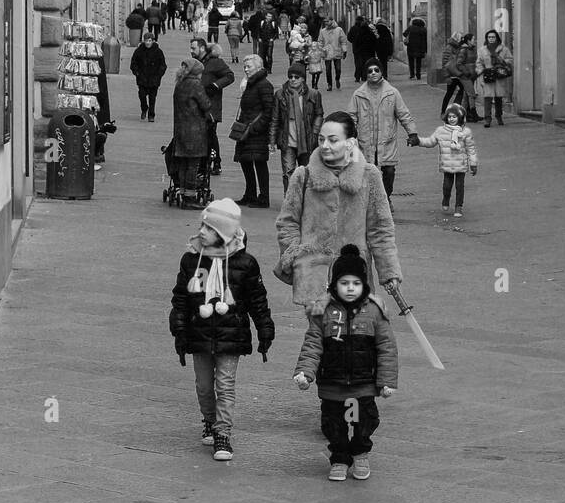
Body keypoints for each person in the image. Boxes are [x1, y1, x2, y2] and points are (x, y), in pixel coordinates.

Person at [170, 199, 274, 460]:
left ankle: (223, 433)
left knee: (225, 385)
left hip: (231, 333)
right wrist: (179, 327)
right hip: (199, 332)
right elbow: (181, 298)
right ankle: (209, 419)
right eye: (202, 226)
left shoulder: (245, 263)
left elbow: (257, 300)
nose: (201, 232)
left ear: (223, 233)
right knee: (204, 386)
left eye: (208, 227)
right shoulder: (192, 260)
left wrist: (264, 328)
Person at [275, 111, 402, 314]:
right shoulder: (303, 175)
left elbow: (381, 229)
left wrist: (389, 272)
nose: (325, 145)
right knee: (318, 342)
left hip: (355, 278)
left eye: (333, 140)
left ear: (350, 143)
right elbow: (287, 222)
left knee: (357, 339)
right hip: (314, 279)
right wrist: (297, 256)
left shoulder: (370, 176)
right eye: (321, 139)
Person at [293, 243, 398, 481]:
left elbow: (386, 348)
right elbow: (313, 344)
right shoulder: (323, 311)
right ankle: (340, 456)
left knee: (365, 420)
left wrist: (386, 381)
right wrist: (305, 372)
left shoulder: (374, 311)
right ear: (334, 284)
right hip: (332, 382)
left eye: (356, 283)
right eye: (344, 283)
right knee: (333, 424)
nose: (350, 288)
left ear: (364, 285)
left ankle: (360, 453)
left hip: (363, 382)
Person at [348, 60, 419, 207]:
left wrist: (412, 133)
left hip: (387, 141)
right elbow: (351, 116)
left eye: (376, 70)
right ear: (366, 74)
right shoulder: (358, 95)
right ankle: (370, 201)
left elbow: (403, 114)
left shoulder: (392, 93)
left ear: (381, 72)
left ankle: (386, 199)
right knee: (367, 172)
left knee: (389, 171)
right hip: (366, 141)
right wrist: (350, 134)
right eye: (370, 71)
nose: (373, 73)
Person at [269, 62, 323, 194]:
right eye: (290, 76)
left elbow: (319, 114)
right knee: (288, 173)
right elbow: (275, 119)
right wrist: (271, 141)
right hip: (287, 139)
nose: (293, 79)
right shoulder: (280, 94)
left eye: (296, 77)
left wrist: (315, 132)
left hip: (307, 140)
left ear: (303, 78)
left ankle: (305, 200)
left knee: (307, 173)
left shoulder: (313, 94)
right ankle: (290, 201)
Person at [418, 103, 478, 218]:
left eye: (454, 117)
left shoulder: (466, 132)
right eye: (450, 117)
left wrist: (473, 164)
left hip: (461, 164)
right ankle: (446, 199)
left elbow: (471, 149)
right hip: (447, 164)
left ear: (460, 118)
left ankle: (458, 207)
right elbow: (430, 142)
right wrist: (418, 141)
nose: (451, 119)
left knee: (460, 186)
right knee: (447, 185)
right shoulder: (440, 131)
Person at [232, 53, 275, 206]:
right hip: (246, 130)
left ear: (258, 67)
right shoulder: (250, 83)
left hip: (256, 131)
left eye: (248, 66)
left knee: (259, 163)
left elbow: (268, 109)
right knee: (246, 161)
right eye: (244, 66)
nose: (245, 69)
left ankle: (263, 198)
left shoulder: (264, 85)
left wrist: (256, 127)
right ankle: (250, 194)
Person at [191, 36, 235, 175]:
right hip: (197, 105)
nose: (191, 51)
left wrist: (215, 85)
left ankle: (216, 162)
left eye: (193, 48)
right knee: (201, 135)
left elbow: (229, 76)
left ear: (202, 48)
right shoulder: (195, 62)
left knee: (210, 135)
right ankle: (203, 163)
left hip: (211, 106)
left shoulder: (215, 62)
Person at [171, 56, 213, 191]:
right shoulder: (195, 84)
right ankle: (190, 195)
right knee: (193, 164)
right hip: (194, 130)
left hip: (180, 128)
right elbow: (206, 104)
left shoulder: (180, 83)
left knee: (183, 163)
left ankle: (182, 190)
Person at [476, 29, 513, 127]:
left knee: (498, 98)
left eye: (493, 37)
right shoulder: (482, 50)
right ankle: (487, 119)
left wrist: (503, 61)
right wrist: (481, 71)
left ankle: (499, 116)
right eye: (489, 37)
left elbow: (510, 59)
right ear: (486, 38)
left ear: (496, 38)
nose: (491, 39)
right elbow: (479, 63)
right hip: (488, 75)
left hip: (499, 76)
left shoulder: (504, 49)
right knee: (487, 98)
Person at [130, 30, 167, 121]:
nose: (148, 43)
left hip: (154, 78)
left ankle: (151, 115)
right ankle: (144, 108)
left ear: (153, 41)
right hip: (142, 77)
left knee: (152, 98)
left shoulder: (158, 52)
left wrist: (159, 75)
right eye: (146, 41)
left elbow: (163, 65)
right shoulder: (139, 51)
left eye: (150, 41)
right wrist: (137, 72)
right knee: (142, 95)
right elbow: (133, 63)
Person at [318, 17, 348, 91]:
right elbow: (320, 41)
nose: (326, 23)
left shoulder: (339, 30)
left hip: (336, 51)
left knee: (338, 69)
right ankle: (329, 84)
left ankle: (337, 79)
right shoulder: (323, 31)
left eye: (327, 21)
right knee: (328, 70)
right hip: (327, 52)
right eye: (325, 21)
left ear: (332, 21)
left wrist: (344, 50)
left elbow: (343, 41)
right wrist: (321, 49)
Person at [402, 16, 427, 81]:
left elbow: (404, 34)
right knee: (418, 62)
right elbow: (425, 39)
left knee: (411, 62)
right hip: (420, 48)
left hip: (411, 47)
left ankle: (412, 75)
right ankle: (418, 75)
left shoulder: (410, 28)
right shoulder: (423, 29)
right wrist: (425, 49)